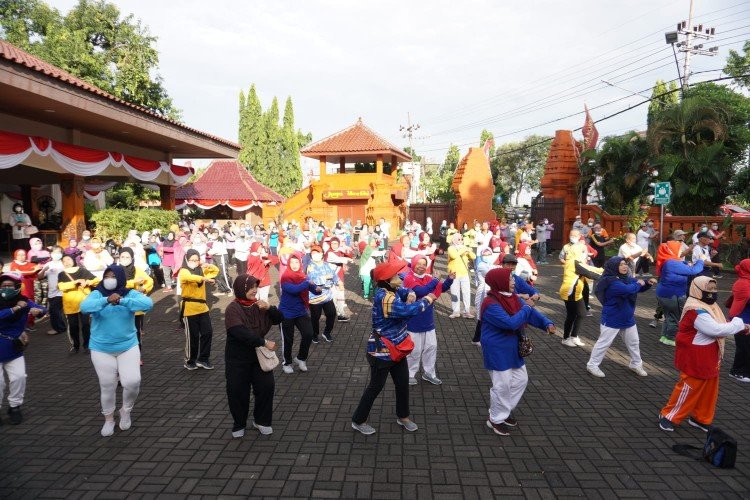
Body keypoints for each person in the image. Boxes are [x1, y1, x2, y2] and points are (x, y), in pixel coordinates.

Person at [351, 260, 437, 435]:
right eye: (396, 275)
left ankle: (403, 416)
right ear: (387, 280)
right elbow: (408, 311)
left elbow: (405, 291)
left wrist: (411, 292)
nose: (400, 277)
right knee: (375, 387)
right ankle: (358, 420)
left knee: (402, 383)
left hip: (397, 348)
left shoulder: (393, 290)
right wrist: (426, 299)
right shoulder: (385, 297)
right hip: (381, 351)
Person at [658, 276, 750, 432]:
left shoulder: (710, 306)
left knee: (709, 391)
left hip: (710, 355)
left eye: (714, 289)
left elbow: (719, 325)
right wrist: (738, 323)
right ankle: (668, 416)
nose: (712, 292)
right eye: (708, 289)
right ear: (697, 290)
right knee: (688, 388)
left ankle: (700, 418)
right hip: (696, 356)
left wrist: (739, 326)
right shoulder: (695, 309)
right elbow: (715, 329)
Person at [480, 268, 555, 436]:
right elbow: (510, 323)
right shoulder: (490, 303)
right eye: (510, 279)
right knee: (502, 386)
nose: (514, 282)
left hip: (513, 348)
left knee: (521, 380)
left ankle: (501, 412)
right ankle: (496, 418)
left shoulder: (511, 297)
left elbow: (530, 314)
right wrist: (527, 308)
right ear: (499, 281)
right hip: (497, 350)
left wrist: (546, 323)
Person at [80, 265, 153, 436]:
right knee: (107, 385)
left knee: (132, 382)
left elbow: (148, 303)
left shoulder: (129, 293)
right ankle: (109, 419)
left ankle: (126, 410)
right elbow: (84, 307)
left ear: (120, 278)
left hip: (128, 346)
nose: (110, 279)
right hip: (101, 348)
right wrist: (106, 300)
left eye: (113, 276)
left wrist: (121, 300)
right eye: (107, 276)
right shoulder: (97, 293)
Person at [225, 274, 282, 437]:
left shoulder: (258, 305)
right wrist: (263, 342)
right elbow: (239, 332)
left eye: (256, 287)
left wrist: (270, 308)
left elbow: (279, 318)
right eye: (251, 287)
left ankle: (262, 420)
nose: (254, 290)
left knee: (266, 387)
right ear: (241, 289)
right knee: (237, 390)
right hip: (237, 358)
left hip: (259, 357)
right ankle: (239, 423)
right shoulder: (232, 308)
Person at [586, 257, 655, 378]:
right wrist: (639, 283)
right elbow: (629, 289)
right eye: (621, 264)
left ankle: (636, 364)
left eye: (625, 264)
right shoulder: (611, 282)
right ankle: (592, 365)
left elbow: (636, 286)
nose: (625, 266)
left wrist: (647, 284)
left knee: (634, 343)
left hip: (627, 317)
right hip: (612, 318)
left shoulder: (626, 278)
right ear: (613, 267)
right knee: (604, 343)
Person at [0, 272, 46, 425]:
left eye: (10, 286)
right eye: (3, 286)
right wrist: (14, 309)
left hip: (14, 348)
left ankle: (14, 407)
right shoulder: (18, 305)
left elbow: (41, 309)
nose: (6, 288)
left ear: (17, 287)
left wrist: (38, 311)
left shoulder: (24, 301)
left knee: (19, 377)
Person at [403, 254, 454, 385]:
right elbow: (421, 291)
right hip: (414, 321)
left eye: (424, 264)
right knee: (415, 349)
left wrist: (449, 279)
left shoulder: (429, 278)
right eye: (418, 263)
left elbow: (441, 288)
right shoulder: (409, 278)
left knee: (431, 347)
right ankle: (409, 374)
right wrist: (435, 280)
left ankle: (429, 373)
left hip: (428, 321)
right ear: (413, 264)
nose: (421, 266)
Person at [655, 241, 705, 347]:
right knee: (676, 317)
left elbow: (682, 265)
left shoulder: (668, 260)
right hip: (673, 295)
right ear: (673, 250)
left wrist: (687, 264)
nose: (681, 251)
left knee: (669, 316)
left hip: (665, 294)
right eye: (679, 249)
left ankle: (664, 336)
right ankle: (671, 338)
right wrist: (701, 260)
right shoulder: (672, 263)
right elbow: (694, 271)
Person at [559, 230, 601, 347]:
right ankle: (566, 338)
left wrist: (604, 270)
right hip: (570, 291)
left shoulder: (577, 261)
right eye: (582, 252)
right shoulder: (574, 263)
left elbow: (590, 268)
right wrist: (605, 277)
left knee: (581, 314)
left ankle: (573, 336)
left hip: (576, 292)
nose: (585, 254)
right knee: (573, 315)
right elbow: (590, 274)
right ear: (576, 252)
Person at [279, 253, 320, 374]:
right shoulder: (285, 276)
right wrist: (308, 283)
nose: (295, 265)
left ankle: (301, 358)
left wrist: (317, 289)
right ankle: (287, 362)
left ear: (300, 263)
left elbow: (313, 289)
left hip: (301, 311)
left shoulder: (303, 276)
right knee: (288, 339)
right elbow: (293, 290)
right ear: (288, 264)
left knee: (308, 334)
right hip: (286, 313)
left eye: (297, 262)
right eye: (292, 262)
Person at [179, 249, 219, 370]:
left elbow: (215, 271)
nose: (194, 262)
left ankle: (203, 359)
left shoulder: (201, 270)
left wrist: (207, 265)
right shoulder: (183, 271)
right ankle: (189, 360)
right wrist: (204, 279)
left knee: (207, 332)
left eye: (196, 260)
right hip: (189, 308)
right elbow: (189, 277)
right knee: (193, 336)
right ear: (187, 259)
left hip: (202, 307)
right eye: (192, 260)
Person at [57, 255, 98, 353]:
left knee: (86, 325)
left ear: (73, 260)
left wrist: (87, 282)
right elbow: (61, 286)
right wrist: (75, 282)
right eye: (64, 261)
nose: (67, 262)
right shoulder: (62, 274)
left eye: (68, 259)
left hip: (84, 303)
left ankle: (87, 345)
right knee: (73, 326)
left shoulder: (82, 271)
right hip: (70, 305)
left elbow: (96, 280)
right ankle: (75, 346)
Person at [118, 248, 154, 357]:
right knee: (122, 332)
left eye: (127, 257)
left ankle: (137, 356)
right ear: (119, 258)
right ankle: (123, 354)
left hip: (134, 306)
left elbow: (150, 281)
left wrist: (144, 289)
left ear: (132, 258)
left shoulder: (137, 270)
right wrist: (134, 282)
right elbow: (119, 285)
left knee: (136, 332)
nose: (125, 259)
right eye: (122, 257)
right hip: (120, 306)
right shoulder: (115, 270)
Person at [306, 245, 339, 343]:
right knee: (315, 317)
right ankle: (314, 334)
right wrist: (325, 277)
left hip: (327, 295)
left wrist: (338, 282)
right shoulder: (310, 266)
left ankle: (327, 332)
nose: (315, 255)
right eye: (313, 253)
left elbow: (333, 275)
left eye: (317, 253)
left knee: (332, 313)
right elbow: (312, 279)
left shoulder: (326, 264)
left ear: (322, 254)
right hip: (315, 296)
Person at [9, 249, 41, 331]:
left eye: (23, 254)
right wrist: (33, 270)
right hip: (19, 289)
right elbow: (19, 273)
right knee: (20, 306)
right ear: (15, 255)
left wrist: (36, 269)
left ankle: (29, 324)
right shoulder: (14, 264)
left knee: (30, 306)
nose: (21, 256)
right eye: (19, 255)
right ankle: (20, 325)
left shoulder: (30, 264)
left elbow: (38, 270)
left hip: (30, 288)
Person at [729, 259, 750, 382]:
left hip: (745, 318)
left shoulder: (746, 280)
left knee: (745, 347)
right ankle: (738, 372)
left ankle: (741, 370)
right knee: (744, 347)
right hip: (742, 320)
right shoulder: (743, 283)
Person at [447, 233, 476, 319]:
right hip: (454, 274)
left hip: (464, 273)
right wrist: (463, 249)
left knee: (466, 293)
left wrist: (469, 250)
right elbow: (454, 255)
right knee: (455, 292)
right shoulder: (450, 248)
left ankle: (466, 311)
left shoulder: (464, 248)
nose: (460, 241)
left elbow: (473, 257)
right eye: (458, 239)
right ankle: (456, 311)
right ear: (454, 240)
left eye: (461, 239)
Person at [40, 246, 67, 336]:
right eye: (54, 252)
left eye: (58, 252)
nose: (56, 254)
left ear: (62, 254)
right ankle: (61, 327)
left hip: (61, 291)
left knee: (54, 310)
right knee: (55, 311)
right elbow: (39, 277)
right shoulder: (49, 264)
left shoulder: (64, 264)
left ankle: (59, 328)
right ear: (51, 254)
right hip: (51, 292)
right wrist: (44, 269)